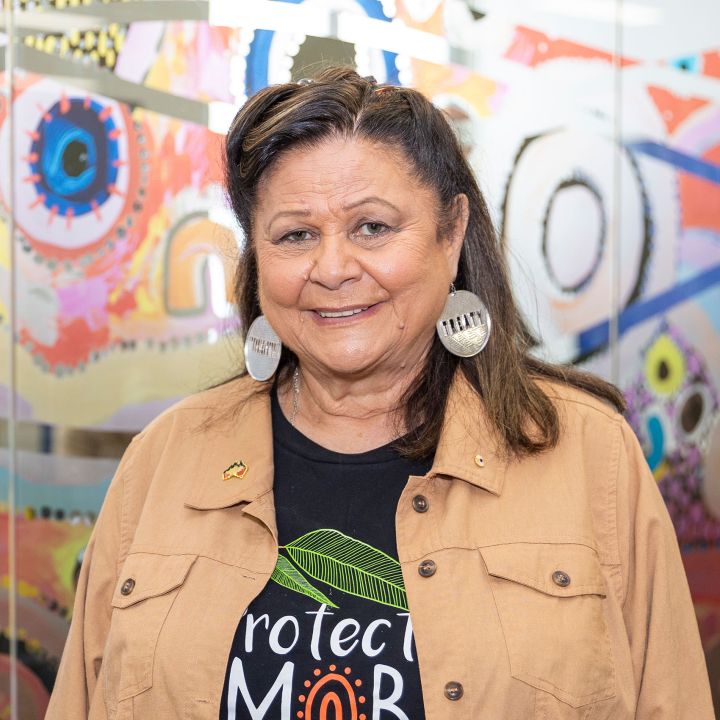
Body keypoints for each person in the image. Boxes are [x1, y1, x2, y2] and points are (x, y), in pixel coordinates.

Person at [46, 67, 714, 720]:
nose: (333, 268)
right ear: (257, 258)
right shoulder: (163, 461)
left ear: (450, 234)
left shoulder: (589, 456)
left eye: (372, 227)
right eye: (296, 235)